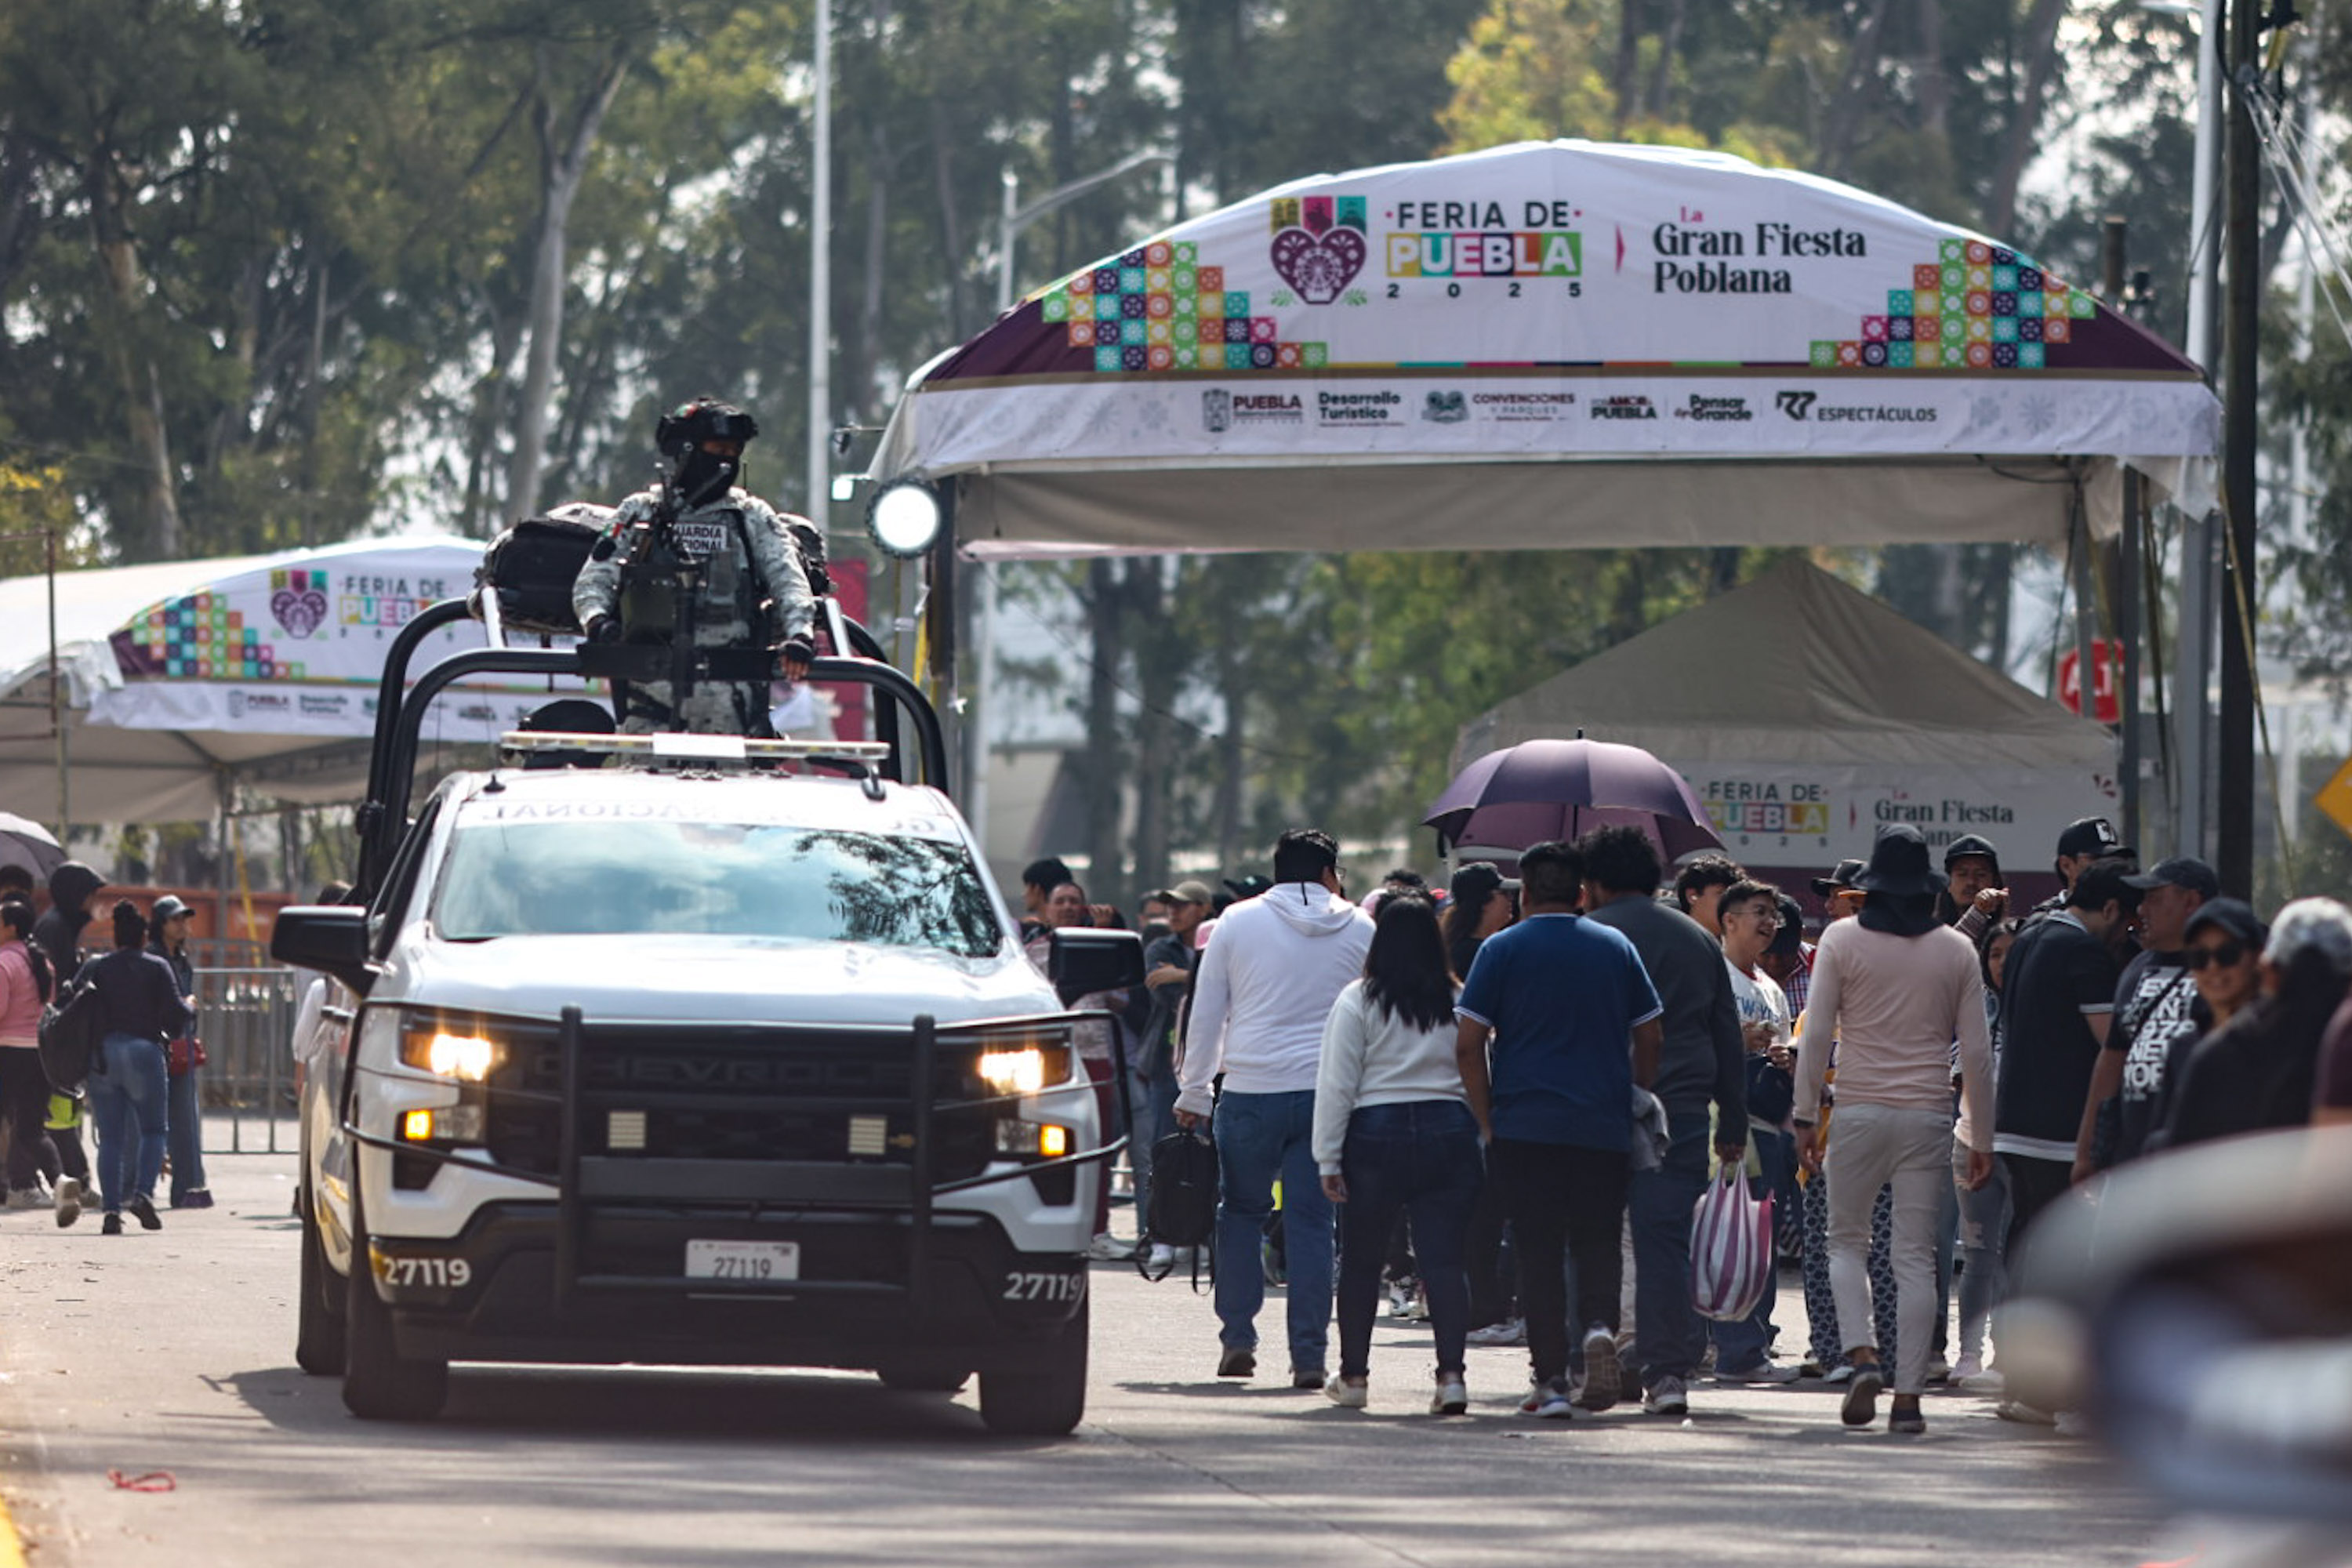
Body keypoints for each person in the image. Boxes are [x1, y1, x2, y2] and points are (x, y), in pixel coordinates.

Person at [1793, 826, 1994, 1435]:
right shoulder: (1957, 951)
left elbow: (1818, 1032)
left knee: (1845, 1242)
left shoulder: (1841, 939)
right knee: (1914, 1258)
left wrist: (1806, 1113)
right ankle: (1908, 1398)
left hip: (1855, 1110)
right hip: (1929, 1115)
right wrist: (1979, 1134)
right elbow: (1979, 1054)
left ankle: (1860, 1354)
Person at [1456, 840, 1664, 1420]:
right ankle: (1598, 1326)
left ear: (1524, 894)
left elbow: (1468, 1045)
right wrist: (1637, 1092)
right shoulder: (1615, 946)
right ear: (1579, 893)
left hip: (1523, 1127)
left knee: (1538, 1253)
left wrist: (1487, 1118)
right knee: (1598, 1238)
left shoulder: (1500, 950)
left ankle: (1550, 1380)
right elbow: (1651, 1035)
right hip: (1601, 1125)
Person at [1175, 829, 1375, 1386]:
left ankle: (1238, 1338)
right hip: (1327, 1096)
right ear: (1330, 872)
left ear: (1278, 869)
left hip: (1248, 1090)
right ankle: (1309, 1356)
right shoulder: (1361, 926)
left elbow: (1207, 1009)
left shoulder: (1236, 922)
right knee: (1314, 1222)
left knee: (1239, 1212)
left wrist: (1194, 1090)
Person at [1578, 826, 1747, 1418]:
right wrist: (1734, 1119)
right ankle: (1667, 1373)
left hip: (1591, 1111)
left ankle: (1590, 1348)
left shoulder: (1588, 935)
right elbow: (1724, 1031)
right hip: (1679, 1111)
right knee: (1664, 1243)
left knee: (1588, 1237)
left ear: (1594, 883)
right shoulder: (1697, 941)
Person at [1315, 895, 1481, 1414]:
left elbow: (1338, 1084)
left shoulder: (1358, 1000)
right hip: (1448, 1130)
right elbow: (1480, 1069)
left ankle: (1355, 1377)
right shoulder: (1458, 998)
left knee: (1362, 1262)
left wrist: (1328, 1157)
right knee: (1445, 1261)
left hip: (1375, 1133)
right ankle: (1451, 1377)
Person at [572, 396, 817, 735]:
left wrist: (799, 635)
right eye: (717, 448)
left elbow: (788, 578)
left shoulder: (751, 516)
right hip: (650, 701)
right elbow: (595, 578)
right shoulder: (641, 513)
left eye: (734, 453)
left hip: (732, 705)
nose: (726, 461)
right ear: (687, 450)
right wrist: (597, 622)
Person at [2161, 898, 2352, 1148]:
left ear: (2267, 971)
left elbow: (2176, 1162)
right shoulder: (2342, 1053)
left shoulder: (2218, 1055)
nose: (2213, 967)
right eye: (2199, 956)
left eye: (2227, 954)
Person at [1710, 877, 1800, 1383]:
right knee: (1728, 1238)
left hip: (1767, 1122)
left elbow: (1781, 1044)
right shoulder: (1715, 975)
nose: (1770, 923)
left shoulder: (1769, 987)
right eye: (1758, 912)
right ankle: (1736, 1350)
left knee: (1758, 1241)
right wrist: (1734, 1039)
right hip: (1722, 1124)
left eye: (1774, 915)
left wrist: (1785, 1057)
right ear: (1729, 920)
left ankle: (1750, 1345)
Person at [2084, 857, 2219, 1169]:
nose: (2142, 909)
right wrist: (2086, 1150)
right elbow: (2111, 1059)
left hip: (2200, 1163)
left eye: (2154, 899)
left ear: (2191, 901)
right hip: (2132, 1161)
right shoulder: (2136, 970)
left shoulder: (2224, 968)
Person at [1025, 881, 1132, 1261]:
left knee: (1098, 1146)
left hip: (1096, 1057)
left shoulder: (1103, 948)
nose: (1068, 907)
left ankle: (1098, 1230)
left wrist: (1105, 942)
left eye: (1075, 901)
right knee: (1043, 1147)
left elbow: (1122, 1000)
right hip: (1047, 1063)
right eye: (1061, 901)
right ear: (1047, 908)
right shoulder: (1029, 954)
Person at [74, 901, 191, 1236]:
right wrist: (190, 1007)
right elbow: (177, 1019)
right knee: (154, 1130)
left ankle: (111, 1212)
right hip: (145, 1053)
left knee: (110, 1137)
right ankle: (141, 1195)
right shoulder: (157, 967)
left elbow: (72, 1006)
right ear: (143, 936)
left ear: (115, 937)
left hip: (104, 1056)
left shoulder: (99, 967)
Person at [1952, 916, 2021, 1389]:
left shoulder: (2042, 1009)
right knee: (1977, 1254)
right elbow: (1959, 1074)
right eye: (1995, 954)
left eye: (2012, 953)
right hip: (1969, 1141)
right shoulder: (1974, 1006)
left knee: (2017, 1255)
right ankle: (1968, 1354)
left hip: (2023, 1147)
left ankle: (2010, 1354)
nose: (2003, 963)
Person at [1134, 880, 1213, 1266]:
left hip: (1213, 1063)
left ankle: (1199, 1230)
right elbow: (1166, 994)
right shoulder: (1159, 947)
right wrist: (1196, 980)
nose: (1174, 912)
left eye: (1183, 905)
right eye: (1170, 905)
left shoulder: (1214, 943)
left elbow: (1213, 992)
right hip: (1166, 1065)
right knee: (1163, 1150)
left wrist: (1183, 976)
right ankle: (1160, 1233)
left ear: (1203, 908)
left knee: (1207, 1153)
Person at [0, 900, 65, 1215]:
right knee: (31, 1128)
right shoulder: (43, 963)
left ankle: (19, 1184)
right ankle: (61, 1181)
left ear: (11, 927)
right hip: (38, 1054)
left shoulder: (4, 963)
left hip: (7, 1054)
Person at [147, 895, 211, 1209]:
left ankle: (188, 1187)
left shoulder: (182, 960)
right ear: (161, 925)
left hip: (181, 1047)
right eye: (176, 919)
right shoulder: (153, 958)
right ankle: (139, 1188)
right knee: (149, 1122)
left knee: (186, 1121)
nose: (183, 925)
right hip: (155, 1048)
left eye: (185, 919)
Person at [32, 860, 105, 981]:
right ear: (77, 893)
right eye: (91, 894)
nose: (94, 899)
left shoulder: (65, 922)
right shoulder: (54, 926)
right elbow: (53, 974)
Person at [1671, 855, 1745, 936]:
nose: (1731, 902)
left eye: (1735, 896)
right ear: (1692, 896)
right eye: (1722, 894)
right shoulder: (1668, 941)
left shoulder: (1742, 945)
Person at [1018, 858, 1072, 942]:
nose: (1023, 895)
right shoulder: (1033, 932)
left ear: (1037, 889)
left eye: (1026, 888)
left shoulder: (1026, 935)